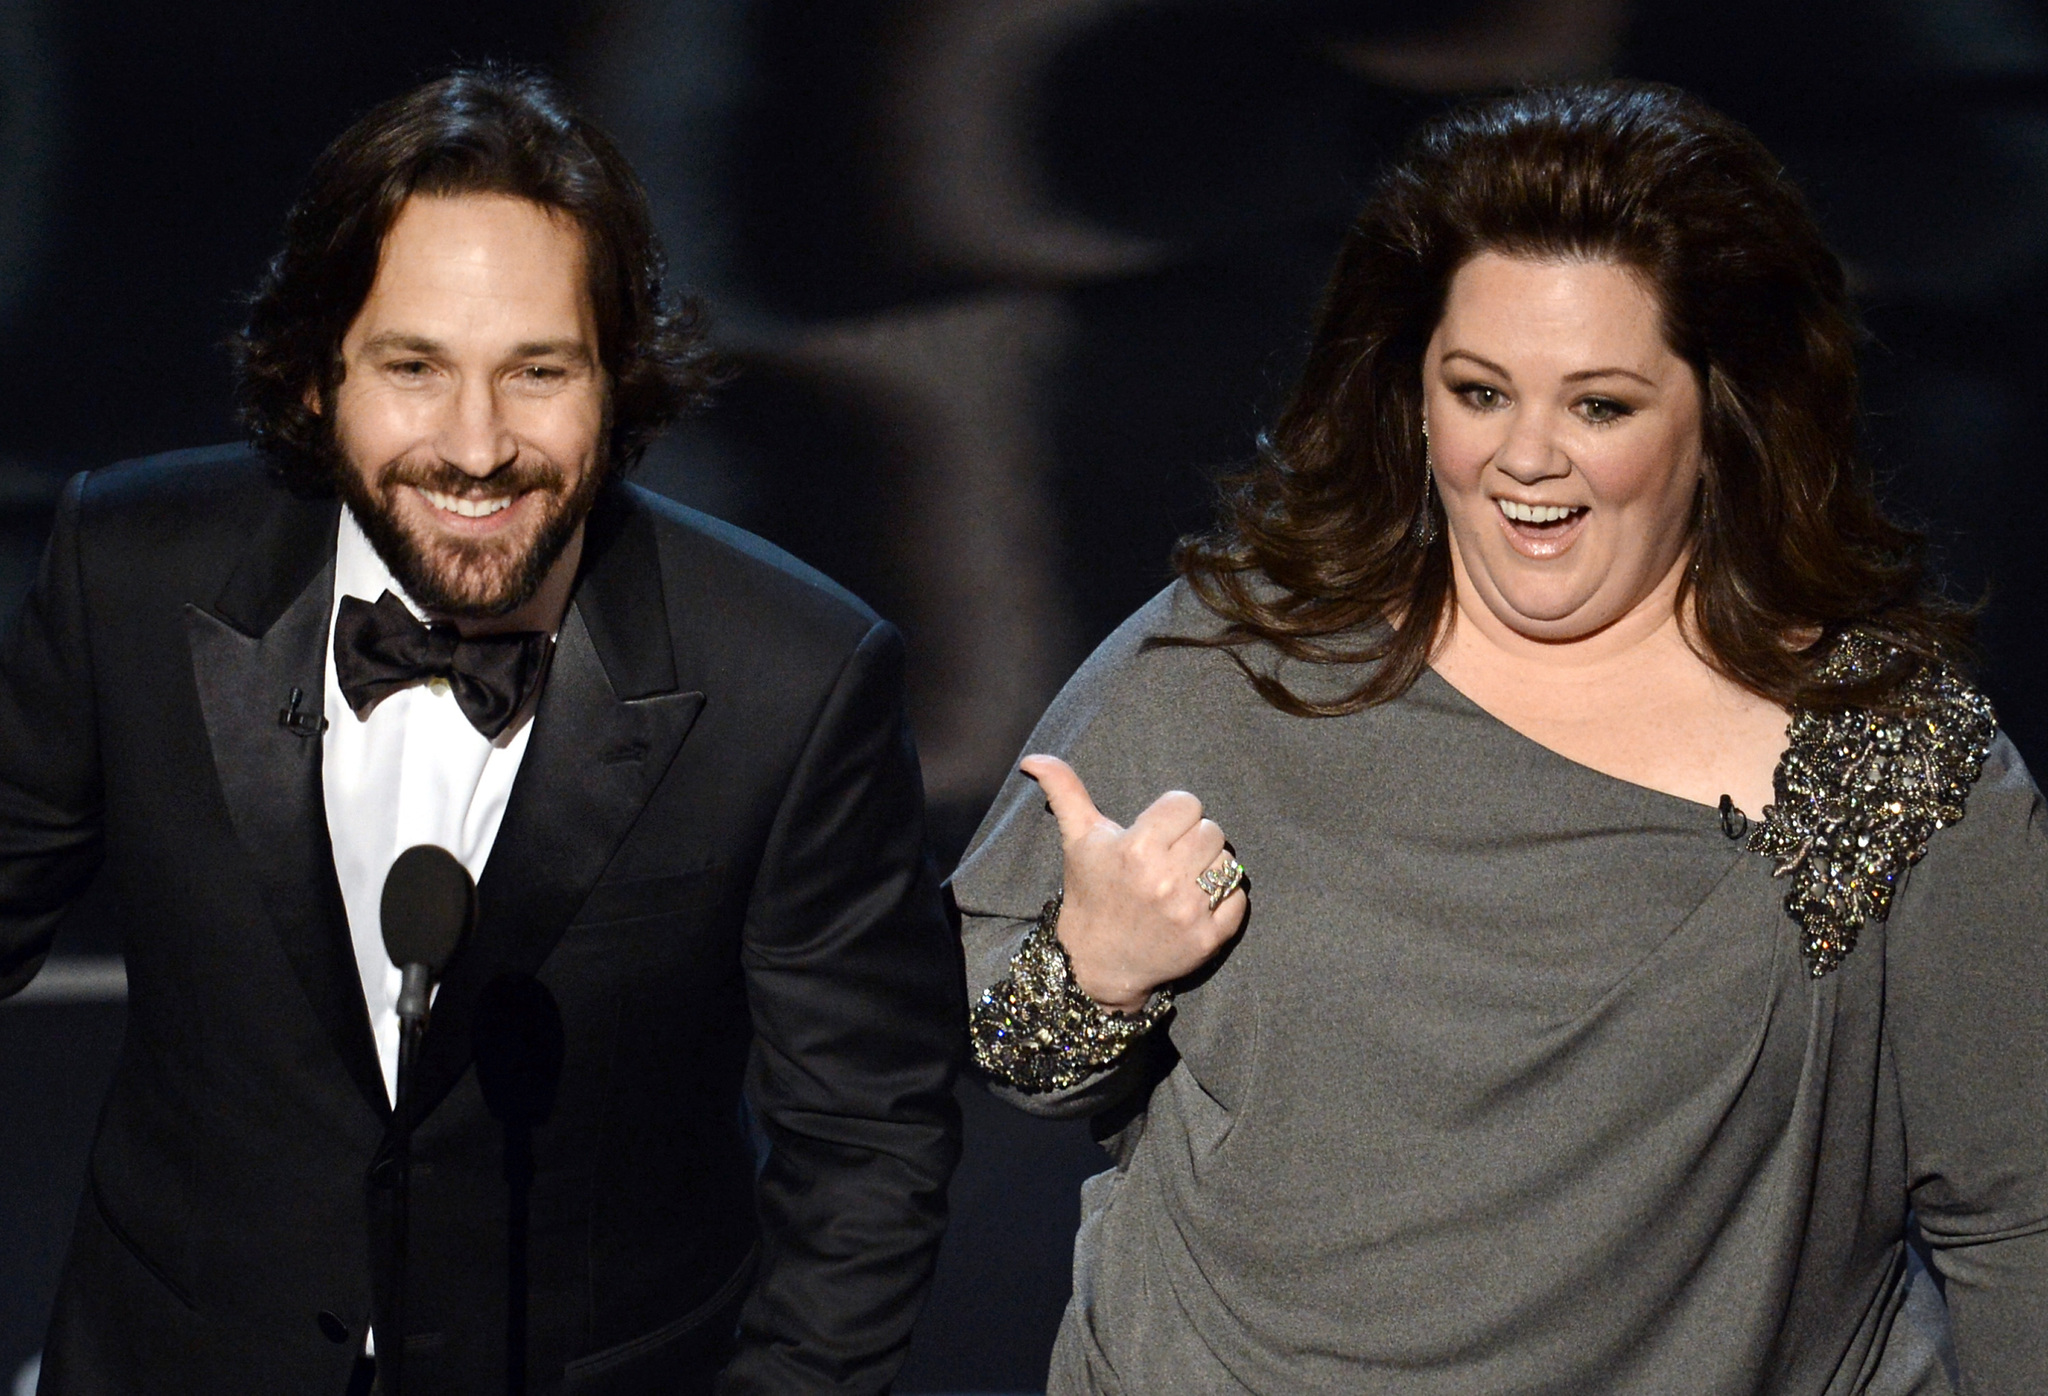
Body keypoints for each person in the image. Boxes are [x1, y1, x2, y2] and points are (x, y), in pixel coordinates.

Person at [954, 81, 2047, 1393]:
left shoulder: (1886, 750)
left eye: (1600, 406)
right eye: (1480, 391)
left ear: (1721, 419)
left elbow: (2014, 1208)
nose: (1526, 457)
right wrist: (1100, 972)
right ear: (1415, 399)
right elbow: (1020, 1056)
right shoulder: (1236, 664)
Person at [0, 67, 963, 1395]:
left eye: (538, 373)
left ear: (618, 381)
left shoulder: (792, 676)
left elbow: (869, 1142)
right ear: (315, 377)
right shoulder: (127, 570)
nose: (475, 445)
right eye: (413, 368)